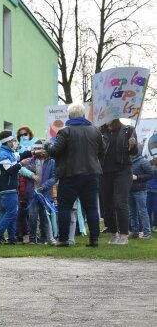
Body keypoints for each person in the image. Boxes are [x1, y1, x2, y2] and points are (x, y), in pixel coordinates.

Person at [43, 103, 104, 247]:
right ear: (83, 115)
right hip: (91, 174)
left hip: (70, 175)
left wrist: (47, 145)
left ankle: (63, 239)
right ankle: (94, 240)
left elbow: (55, 151)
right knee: (92, 208)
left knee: (65, 207)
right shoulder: (95, 131)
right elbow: (102, 151)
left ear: (69, 116)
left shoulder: (65, 132)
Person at [0, 130, 34, 245]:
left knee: (12, 213)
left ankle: (11, 238)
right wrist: (21, 164)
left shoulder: (9, 153)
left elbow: (21, 155)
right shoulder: (3, 155)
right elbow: (10, 170)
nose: (14, 142)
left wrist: (33, 151)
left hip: (11, 189)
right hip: (7, 188)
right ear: (7, 141)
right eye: (13, 140)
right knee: (11, 213)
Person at [100, 119, 138, 245]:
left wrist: (133, 144)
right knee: (107, 205)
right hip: (105, 172)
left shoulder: (128, 130)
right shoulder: (100, 131)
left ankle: (124, 234)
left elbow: (134, 152)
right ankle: (113, 232)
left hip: (123, 171)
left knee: (120, 203)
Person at [24, 140, 57, 245]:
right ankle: (33, 238)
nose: (41, 152)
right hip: (33, 193)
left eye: (42, 150)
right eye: (38, 150)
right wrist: (31, 172)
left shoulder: (52, 162)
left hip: (45, 193)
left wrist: (45, 186)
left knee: (44, 216)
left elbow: (54, 177)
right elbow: (23, 171)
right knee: (33, 216)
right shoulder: (31, 161)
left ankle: (43, 238)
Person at [128, 148, 152, 239]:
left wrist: (137, 177)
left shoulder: (143, 162)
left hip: (140, 191)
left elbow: (150, 174)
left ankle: (147, 233)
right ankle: (135, 232)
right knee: (132, 213)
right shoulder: (127, 162)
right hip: (129, 191)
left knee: (143, 212)